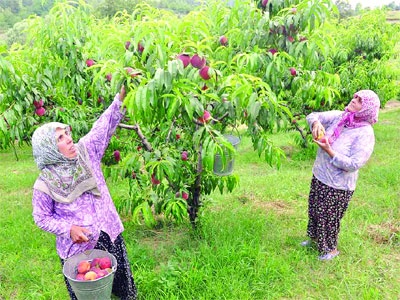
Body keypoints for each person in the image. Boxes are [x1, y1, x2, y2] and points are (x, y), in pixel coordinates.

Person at [31, 86, 137, 299]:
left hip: (108, 232)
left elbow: (105, 125)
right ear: (48, 148)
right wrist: (68, 229)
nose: (68, 139)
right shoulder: (44, 184)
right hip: (78, 247)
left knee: (123, 285)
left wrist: (122, 95)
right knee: (90, 294)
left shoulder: (87, 154)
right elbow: (41, 217)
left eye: (66, 134)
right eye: (59, 138)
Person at [302, 90, 380, 261]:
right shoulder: (341, 117)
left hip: (338, 184)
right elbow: (313, 115)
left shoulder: (365, 133)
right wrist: (315, 124)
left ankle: (330, 250)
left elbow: (354, 164)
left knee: (329, 218)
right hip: (320, 174)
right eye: (355, 97)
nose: (354, 100)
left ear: (366, 108)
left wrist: (329, 151)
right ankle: (314, 239)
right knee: (315, 209)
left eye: (359, 101)